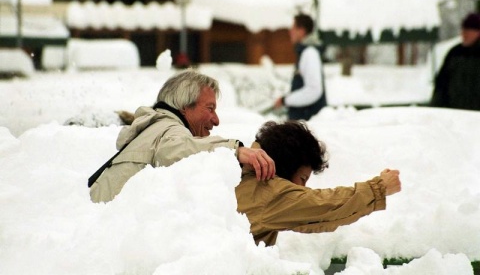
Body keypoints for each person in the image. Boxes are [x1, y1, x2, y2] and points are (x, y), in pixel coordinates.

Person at [89, 70, 276, 203]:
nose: (216, 120)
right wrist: (235, 150)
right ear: (184, 107)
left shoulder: (156, 128)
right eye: (210, 108)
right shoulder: (169, 129)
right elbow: (175, 150)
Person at [235, 120, 401, 246]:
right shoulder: (269, 194)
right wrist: (378, 188)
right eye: (302, 179)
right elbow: (326, 205)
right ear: (286, 165)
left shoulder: (240, 172)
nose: (303, 188)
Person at [274, 13, 327, 120]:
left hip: (309, 122)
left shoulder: (310, 53)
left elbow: (314, 89)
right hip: (305, 122)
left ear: (302, 31)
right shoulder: (306, 52)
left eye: (293, 28)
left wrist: (286, 100)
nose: (290, 32)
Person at [430, 12, 480, 111]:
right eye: (463, 30)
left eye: (468, 31)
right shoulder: (455, 54)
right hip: (455, 116)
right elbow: (441, 85)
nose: (464, 34)